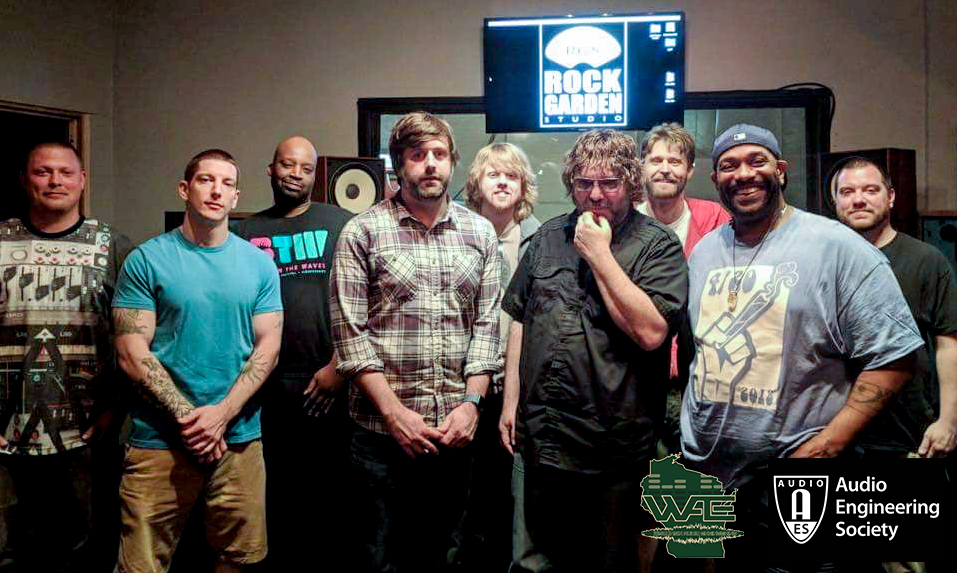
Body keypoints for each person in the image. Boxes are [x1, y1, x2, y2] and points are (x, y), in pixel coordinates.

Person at [679, 124, 923, 570]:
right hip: (709, 476)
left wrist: (827, 446)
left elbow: (895, 358)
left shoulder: (838, 248)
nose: (743, 173)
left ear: (780, 170)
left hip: (800, 480)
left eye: (757, 161)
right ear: (715, 179)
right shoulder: (705, 252)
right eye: (729, 165)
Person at [499, 129, 688, 572]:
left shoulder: (658, 245)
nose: (596, 194)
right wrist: (510, 403)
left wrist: (599, 254)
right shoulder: (547, 237)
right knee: (534, 564)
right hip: (542, 435)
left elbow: (651, 332)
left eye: (609, 183)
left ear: (631, 183)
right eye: (584, 183)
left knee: (607, 565)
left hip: (612, 446)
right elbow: (521, 319)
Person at [330, 112, 502, 573]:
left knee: (447, 557)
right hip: (380, 438)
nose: (430, 164)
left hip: (454, 435)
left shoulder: (480, 233)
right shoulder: (362, 231)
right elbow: (350, 337)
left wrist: (471, 406)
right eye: (417, 154)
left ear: (453, 162)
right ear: (399, 163)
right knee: (378, 560)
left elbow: (487, 329)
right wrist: (394, 414)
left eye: (439, 154)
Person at [112, 149, 283, 573]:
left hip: (238, 440)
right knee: (140, 565)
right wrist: (192, 420)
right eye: (206, 180)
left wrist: (221, 416)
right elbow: (131, 352)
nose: (216, 190)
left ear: (236, 196)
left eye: (227, 183)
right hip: (159, 440)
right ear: (184, 189)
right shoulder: (146, 260)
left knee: (239, 559)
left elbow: (268, 347)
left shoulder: (259, 265)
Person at [0, 141, 131, 572]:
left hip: (87, 435)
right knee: (10, 554)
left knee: (84, 553)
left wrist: (116, 407)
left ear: (82, 180)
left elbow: (134, 337)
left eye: (65, 172)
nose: (55, 181)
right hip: (6, 434)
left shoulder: (114, 246)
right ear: (24, 180)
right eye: (43, 172)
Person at [231, 135, 353, 570]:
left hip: (329, 382)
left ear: (315, 175)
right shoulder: (244, 232)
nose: (295, 174)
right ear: (271, 169)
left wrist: (340, 366)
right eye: (287, 164)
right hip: (265, 388)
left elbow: (366, 302)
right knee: (275, 499)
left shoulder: (341, 224)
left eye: (305, 168)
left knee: (330, 502)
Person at [831, 157, 957, 458]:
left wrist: (949, 420)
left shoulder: (926, 260)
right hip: (832, 434)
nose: (858, 199)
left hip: (908, 437)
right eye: (847, 192)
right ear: (835, 202)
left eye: (870, 190)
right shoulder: (823, 262)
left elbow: (948, 344)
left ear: (890, 197)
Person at [462, 142, 541, 572]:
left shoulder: (542, 239)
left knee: (511, 495)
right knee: (465, 496)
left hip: (517, 389)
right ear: (477, 182)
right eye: (494, 174)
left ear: (524, 186)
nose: (503, 183)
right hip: (463, 386)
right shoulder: (457, 232)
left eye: (512, 176)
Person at [636, 122, 729, 256]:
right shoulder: (624, 222)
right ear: (642, 168)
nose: (665, 170)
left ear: (689, 170)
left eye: (674, 162)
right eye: (656, 161)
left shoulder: (713, 218)